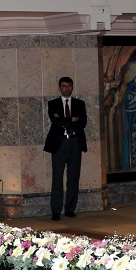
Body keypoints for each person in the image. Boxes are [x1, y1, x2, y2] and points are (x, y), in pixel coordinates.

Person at [43, 76, 87, 221]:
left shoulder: (79, 104)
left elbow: (83, 122)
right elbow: (55, 122)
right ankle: (56, 210)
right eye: (64, 86)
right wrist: (72, 119)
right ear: (59, 88)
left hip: (75, 143)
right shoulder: (53, 104)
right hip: (59, 144)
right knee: (57, 177)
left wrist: (63, 120)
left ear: (72, 87)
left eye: (69, 86)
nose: (67, 89)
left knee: (73, 177)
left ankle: (70, 209)